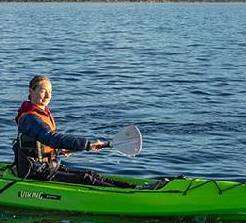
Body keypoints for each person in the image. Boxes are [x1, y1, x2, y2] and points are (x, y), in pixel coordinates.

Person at [13, 76, 159, 189]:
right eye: (43, 91)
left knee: (92, 175)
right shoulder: (30, 117)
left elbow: (42, 142)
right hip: (36, 172)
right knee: (86, 179)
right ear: (31, 91)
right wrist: (86, 144)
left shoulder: (42, 113)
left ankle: (136, 188)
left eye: (50, 92)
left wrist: (60, 150)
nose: (47, 96)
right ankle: (130, 194)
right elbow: (49, 137)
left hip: (47, 167)